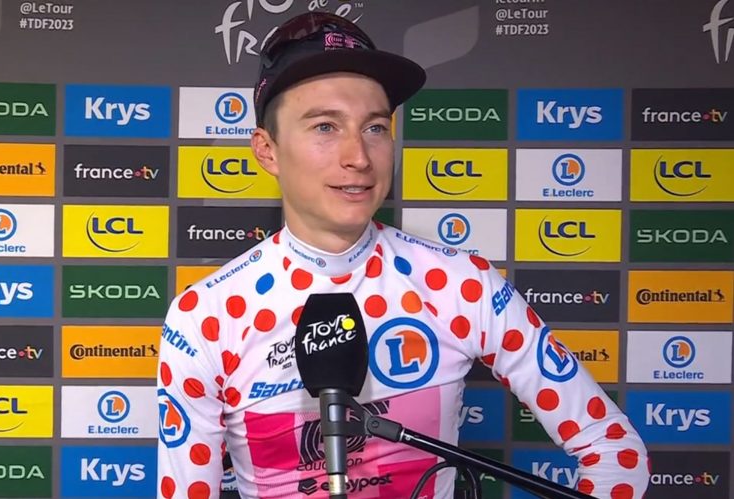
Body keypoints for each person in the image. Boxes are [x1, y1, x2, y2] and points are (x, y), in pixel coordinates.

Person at [157, 11, 649, 499]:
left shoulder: (463, 283)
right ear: (267, 150)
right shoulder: (206, 317)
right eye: (325, 127)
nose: (358, 157)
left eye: (375, 128)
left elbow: (614, 451)